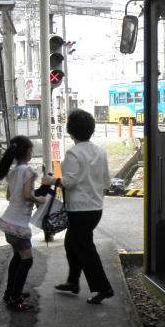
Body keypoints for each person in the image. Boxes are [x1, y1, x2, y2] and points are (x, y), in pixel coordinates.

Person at [43, 110, 114, 304]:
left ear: (70, 131)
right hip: (95, 207)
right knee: (73, 243)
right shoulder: (100, 151)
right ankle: (73, 281)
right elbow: (106, 180)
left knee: (84, 248)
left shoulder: (73, 153)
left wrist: (52, 179)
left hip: (79, 209)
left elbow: (70, 181)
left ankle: (103, 288)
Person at [0, 135, 46, 312]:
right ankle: (15, 299)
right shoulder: (29, 172)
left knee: (18, 258)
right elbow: (26, 195)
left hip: (8, 222)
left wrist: (31, 198)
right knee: (27, 260)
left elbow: (9, 197)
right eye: (31, 150)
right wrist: (38, 199)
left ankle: (10, 293)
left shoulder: (13, 172)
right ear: (28, 152)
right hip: (18, 226)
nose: (32, 153)